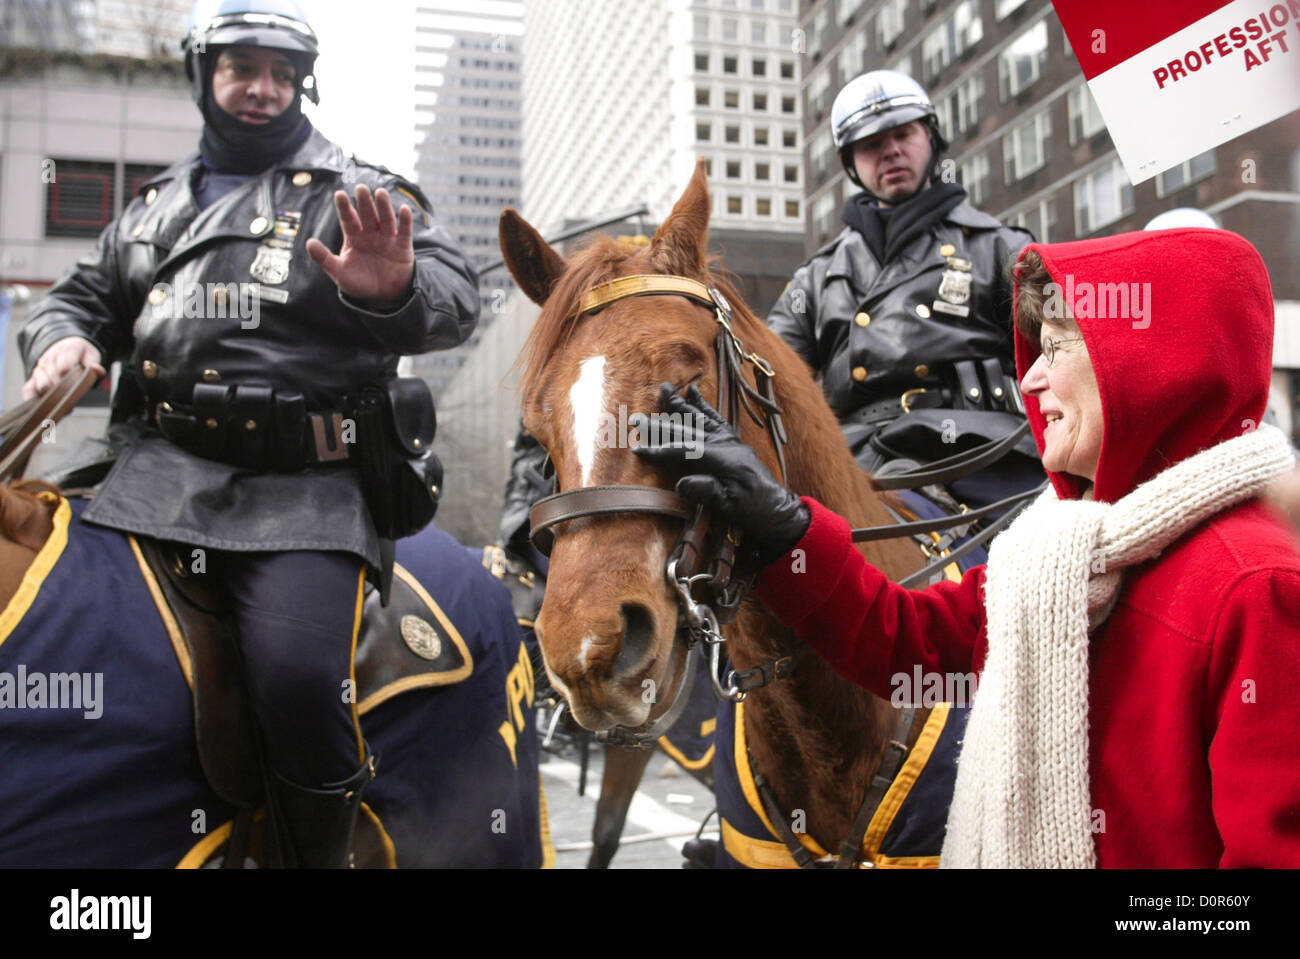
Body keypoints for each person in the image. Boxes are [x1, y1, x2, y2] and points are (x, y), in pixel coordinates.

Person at [635, 227, 1300, 867]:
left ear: (1155, 366)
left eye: (1058, 348)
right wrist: (782, 527)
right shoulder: (1051, 555)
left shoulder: (1259, 587)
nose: (1031, 382)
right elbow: (905, 640)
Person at [18, 0, 479, 866]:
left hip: (298, 492)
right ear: (208, 76)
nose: (263, 88)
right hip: (147, 469)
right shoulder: (153, 206)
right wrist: (64, 338)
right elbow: (75, 297)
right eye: (242, 68)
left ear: (302, 82)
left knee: (301, 681)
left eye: (281, 72)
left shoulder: (358, 188)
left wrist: (390, 292)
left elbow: (457, 296)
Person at [767, 71, 1041, 513]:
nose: (891, 151)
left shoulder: (999, 247)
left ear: (930, 139)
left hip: (983, 452)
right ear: (851, 164)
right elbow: (765, 373)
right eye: (872, 144)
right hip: (854, 460)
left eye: (903, 134)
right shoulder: (816, 277)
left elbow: (1071, 350)